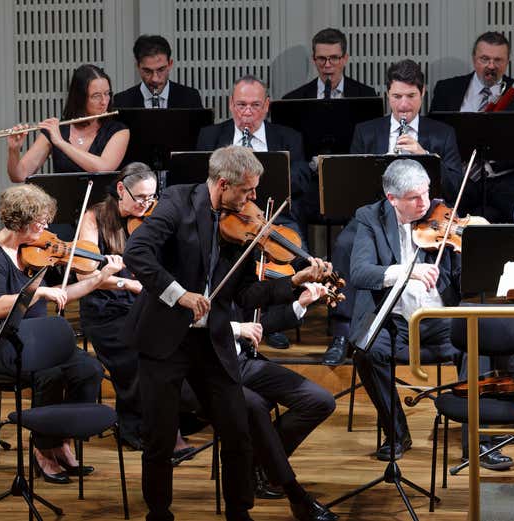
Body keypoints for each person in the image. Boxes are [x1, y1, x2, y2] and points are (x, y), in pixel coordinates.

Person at [122, 145, 331, 521]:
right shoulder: (176, 203)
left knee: (237, 430)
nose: (253, 200)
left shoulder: (241, 227)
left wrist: (294, 282)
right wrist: (179, 294)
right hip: (165, 339)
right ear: (223, 184)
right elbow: (138, 252)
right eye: (247, 191)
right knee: (159, 439)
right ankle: (159, 514)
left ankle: (239, 513)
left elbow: (247, 292)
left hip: (210, 341)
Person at [349, 159, 512, 469]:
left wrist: (469, 246)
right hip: (394, 320)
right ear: (391, 198)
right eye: (414, 197)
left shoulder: (441, 215)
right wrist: (407, 271)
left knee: (476, 341)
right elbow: (359, 271)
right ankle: (397, 433)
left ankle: (478, 442)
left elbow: (469, 278)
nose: (425, 202)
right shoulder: (370, 218)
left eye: (426, 193)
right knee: (366, 353)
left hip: (438, 318)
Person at [0, 183, 122, 484]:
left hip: (39, 338)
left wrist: (100, 278)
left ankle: (60, 441)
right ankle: (42, 449)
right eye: (39, 223)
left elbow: (64, 292)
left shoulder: (35, 250)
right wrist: (40, 292)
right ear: (19, 223)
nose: (46, 228)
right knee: (50, 374)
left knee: (89, 370)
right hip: (0, 343)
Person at [322, 59, 464, 367]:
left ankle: (438, 321)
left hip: (425, 214)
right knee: (346, 244)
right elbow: (350, 184)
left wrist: (425, 155)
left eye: (410, 96)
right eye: (397, 96)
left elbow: (454, 183)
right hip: (378, 215)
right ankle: (343, 331)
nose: (403, 104)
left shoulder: (442, 134)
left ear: (422, 94)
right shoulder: (367, 131)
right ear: (387, 95)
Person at [78, 162, 196, 455]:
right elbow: (84, 276)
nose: (146, 204)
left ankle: (167, 419)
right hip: (107, 310)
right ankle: (138, 429)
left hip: (144, 305)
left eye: (152, 197)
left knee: (173, 351)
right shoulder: (94, 218)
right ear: (121, 189)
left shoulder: (153, 217)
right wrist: (126, 284)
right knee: (135, 358)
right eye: (140, 197)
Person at [196, 75, 314, 349]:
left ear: (266, 106)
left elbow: (301, 179)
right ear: (230, 105)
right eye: (240, 105)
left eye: (254, 105)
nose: (246, 113)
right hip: (225, 215)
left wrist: (263, 172)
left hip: (273, 215)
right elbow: (202, 178)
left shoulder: (287, 136)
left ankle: (272, 322)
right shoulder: (210, 135)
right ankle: (236, 319)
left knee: (292, 254)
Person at [230, 286, 338, 521]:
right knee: (255, 406)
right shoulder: (193, 270)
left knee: (320, 400)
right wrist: (237, 328)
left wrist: (300, 304)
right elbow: (186, 323)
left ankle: (260, 464)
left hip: (243, 361)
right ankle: (296, 495)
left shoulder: (232, 272)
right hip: (207, 369)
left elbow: (260, 326)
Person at [431, 31, 514, 223]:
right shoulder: (446, 89)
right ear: (474, 60)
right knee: (436, 215)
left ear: (507, 62)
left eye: (498, 60)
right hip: (461, 178)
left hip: (504, 179)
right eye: (485, 59)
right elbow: (435, 135)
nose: (491, 66)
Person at [7, 64, 130, 181]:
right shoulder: (57, 130)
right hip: (62, 201)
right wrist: (14, 150)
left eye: (107, 94)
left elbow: (103, 168)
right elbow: (19, 176)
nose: (104, 102)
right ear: (80, 98)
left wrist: (61, 143)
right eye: (96, 96)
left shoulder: (119, 131)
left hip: (102, 203)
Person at [283, 28, 376, 100]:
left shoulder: (367, 95)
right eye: (321, 58)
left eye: (334, 58)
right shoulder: (293, 99)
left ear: (345, 59)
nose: (327, 65)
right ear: (314, 60)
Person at [113, 34, 203, 109]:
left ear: (170, 64)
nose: (155, 79)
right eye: (147, 71)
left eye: (161, 70)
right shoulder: (122, 101)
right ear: (138, 66)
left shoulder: (190, 98)